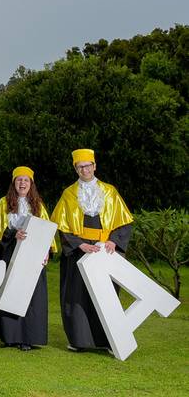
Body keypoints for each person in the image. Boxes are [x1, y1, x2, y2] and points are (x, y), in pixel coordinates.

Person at [51, 149, 133, 353]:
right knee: (76, 295)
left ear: (94, 166)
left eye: (88, 166)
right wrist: (78, 244)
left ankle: (106, 340)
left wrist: (113, 241)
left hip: (104, 248)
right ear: (75, 169)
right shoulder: (68, 194)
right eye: (80, 167)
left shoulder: (110, 191)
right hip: (79, 249)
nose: (84, 170)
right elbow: (61, 226)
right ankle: (79, 340)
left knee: (105, 294)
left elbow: (124, 223)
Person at [0, 166, 56, 351]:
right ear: (13, 183)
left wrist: (46, 253)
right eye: (19, 180)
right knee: (10, 291)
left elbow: (47, 232)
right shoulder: (4, 203)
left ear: (31, 184)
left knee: (32, 295)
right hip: (10, 253)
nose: (22, 183)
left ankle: (29, 336)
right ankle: (10, 336)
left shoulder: (38, 205)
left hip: (32, 257)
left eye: (26, 180)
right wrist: (13, 234)